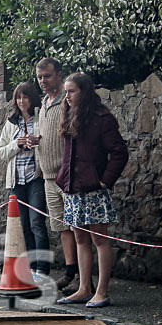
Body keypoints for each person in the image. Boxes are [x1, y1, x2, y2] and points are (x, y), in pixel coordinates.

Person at [55, 73, 129, 308]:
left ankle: (102, 291)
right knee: (80, 238)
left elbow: (119, 152)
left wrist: (104, 181)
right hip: (73, 188)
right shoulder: (68, 115)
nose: (67, 96)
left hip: (94, 190)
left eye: (72, 91)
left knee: (99, 238)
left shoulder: (102, 117)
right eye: (66, 91)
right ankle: (84, 288)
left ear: (84, 92)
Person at [0, 82, 50, 275]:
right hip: (16, 180)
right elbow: (1, 152)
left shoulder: (40, 118)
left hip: (36, 177)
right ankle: (31, 267)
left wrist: (38, 141)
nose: (21, 101)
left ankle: (42, 269)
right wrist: (16, 144)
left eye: (25, 97)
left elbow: (49, 141)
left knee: (37, 222)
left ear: (32, 98)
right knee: (23, 225)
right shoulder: (11, 123)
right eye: (18, 97)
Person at [36, 57, 80, 292]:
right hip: (48, 176)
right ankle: (70, 271)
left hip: (67, 175)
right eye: (40, 77)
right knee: (61, 227)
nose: (43, 81)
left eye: (47, 76)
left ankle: (82, 277)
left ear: (59, 75)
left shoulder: (67, 100)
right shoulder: (43, 104)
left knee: (77, 228)